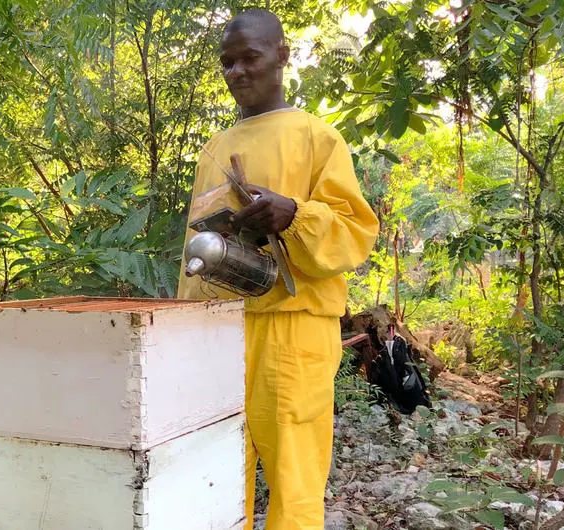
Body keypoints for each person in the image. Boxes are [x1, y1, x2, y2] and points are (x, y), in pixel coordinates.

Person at [175, 9, 380, 530]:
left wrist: (295, 214)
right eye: (227, 62)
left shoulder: (316, 137)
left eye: (250, 58)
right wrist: (186, 324)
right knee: (215, 465)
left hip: (294, 329)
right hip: (219, 329)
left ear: (282, 56)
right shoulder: (215, 148)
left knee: (294, 472)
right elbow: (195, 249)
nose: (237, 71)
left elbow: (355, 232)